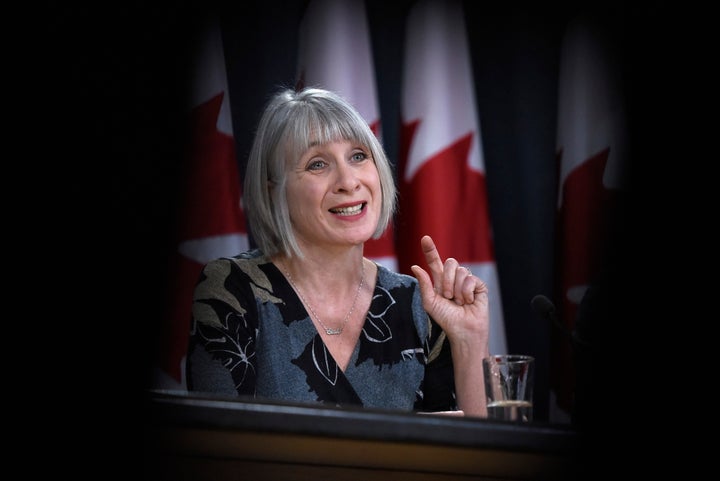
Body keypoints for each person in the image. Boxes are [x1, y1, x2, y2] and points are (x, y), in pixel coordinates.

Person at [186, 87, 490, 417]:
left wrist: (469, 342)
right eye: (317, 164)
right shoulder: (231, 290)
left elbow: (472, 456)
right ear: (275, 190)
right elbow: (221, 449)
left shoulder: (419, 304)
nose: (348, 181)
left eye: (358, 156)